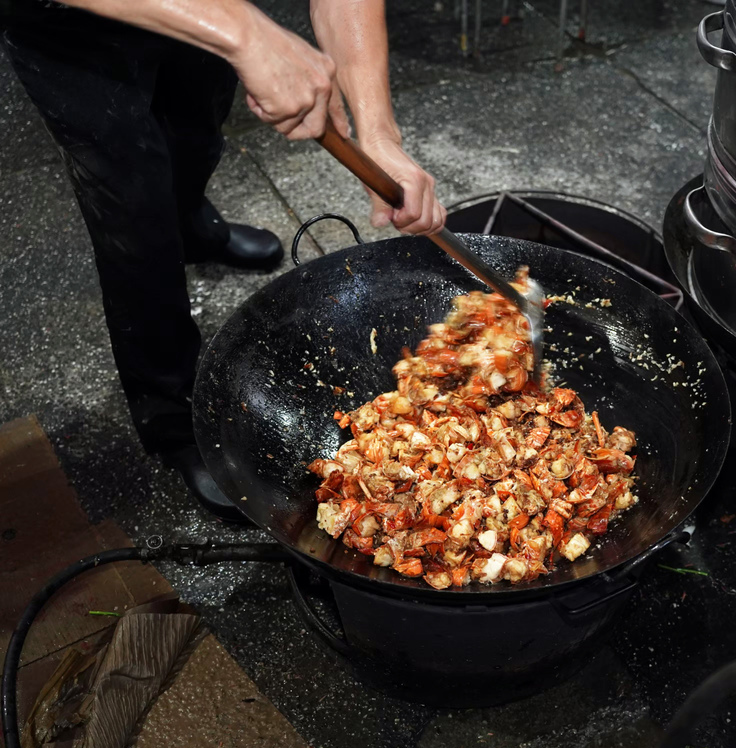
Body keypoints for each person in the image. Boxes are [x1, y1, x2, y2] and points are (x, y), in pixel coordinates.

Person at [0, 0, 446, 522]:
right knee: (132, 212)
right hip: (72, 26)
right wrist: (244, 31)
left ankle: (192, 228)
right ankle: (171, 414)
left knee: (198, 135)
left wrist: (378, 134)